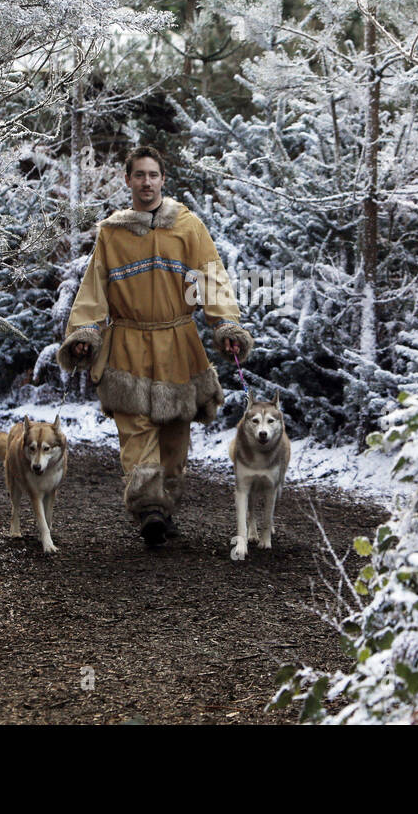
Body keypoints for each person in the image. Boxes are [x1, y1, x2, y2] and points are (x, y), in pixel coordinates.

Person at [57, 146, 253, 546]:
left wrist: (226, 325)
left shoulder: (188, 226)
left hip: (177, 344)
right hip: (127, 345)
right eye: (139, 175)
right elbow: (94, 290)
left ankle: (164, 505)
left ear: (163, 180)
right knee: (135, 433)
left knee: (174, 439)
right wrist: (84, 334)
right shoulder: (112, 233)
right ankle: (148, 507)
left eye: (153, 175)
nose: (146, 182)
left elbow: (211, 279)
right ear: (128, 180)